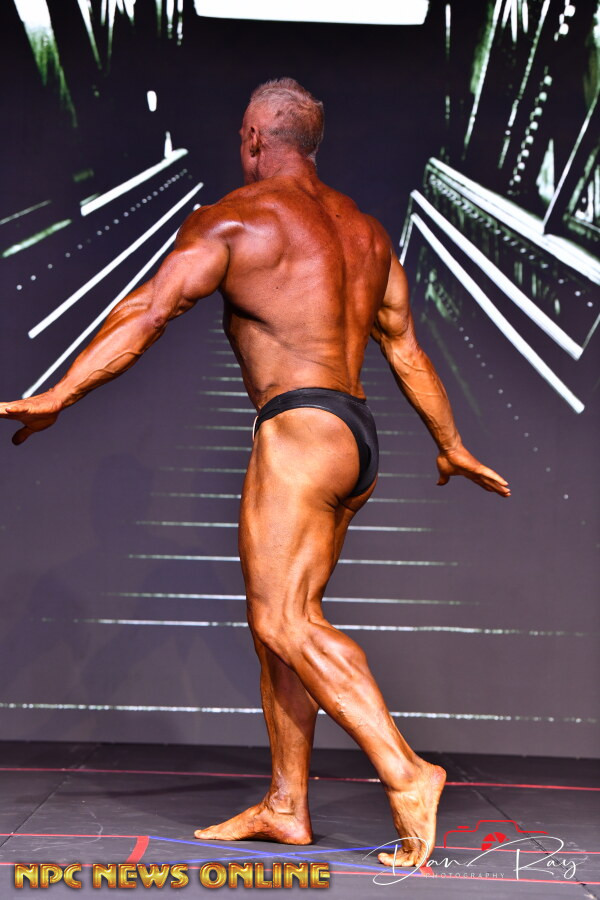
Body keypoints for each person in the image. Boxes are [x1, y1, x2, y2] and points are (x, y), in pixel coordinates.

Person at [0, 78, 510, 868]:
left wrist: (62, 392)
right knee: (283, 622)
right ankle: (286, 804)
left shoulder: (236, 220)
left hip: (300, 430)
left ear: (252, 139)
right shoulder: (368, 234)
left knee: (284, 622)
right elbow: (405, 348)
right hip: (355, 437)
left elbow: (148, 311)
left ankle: (408, 770)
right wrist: (450, 442)